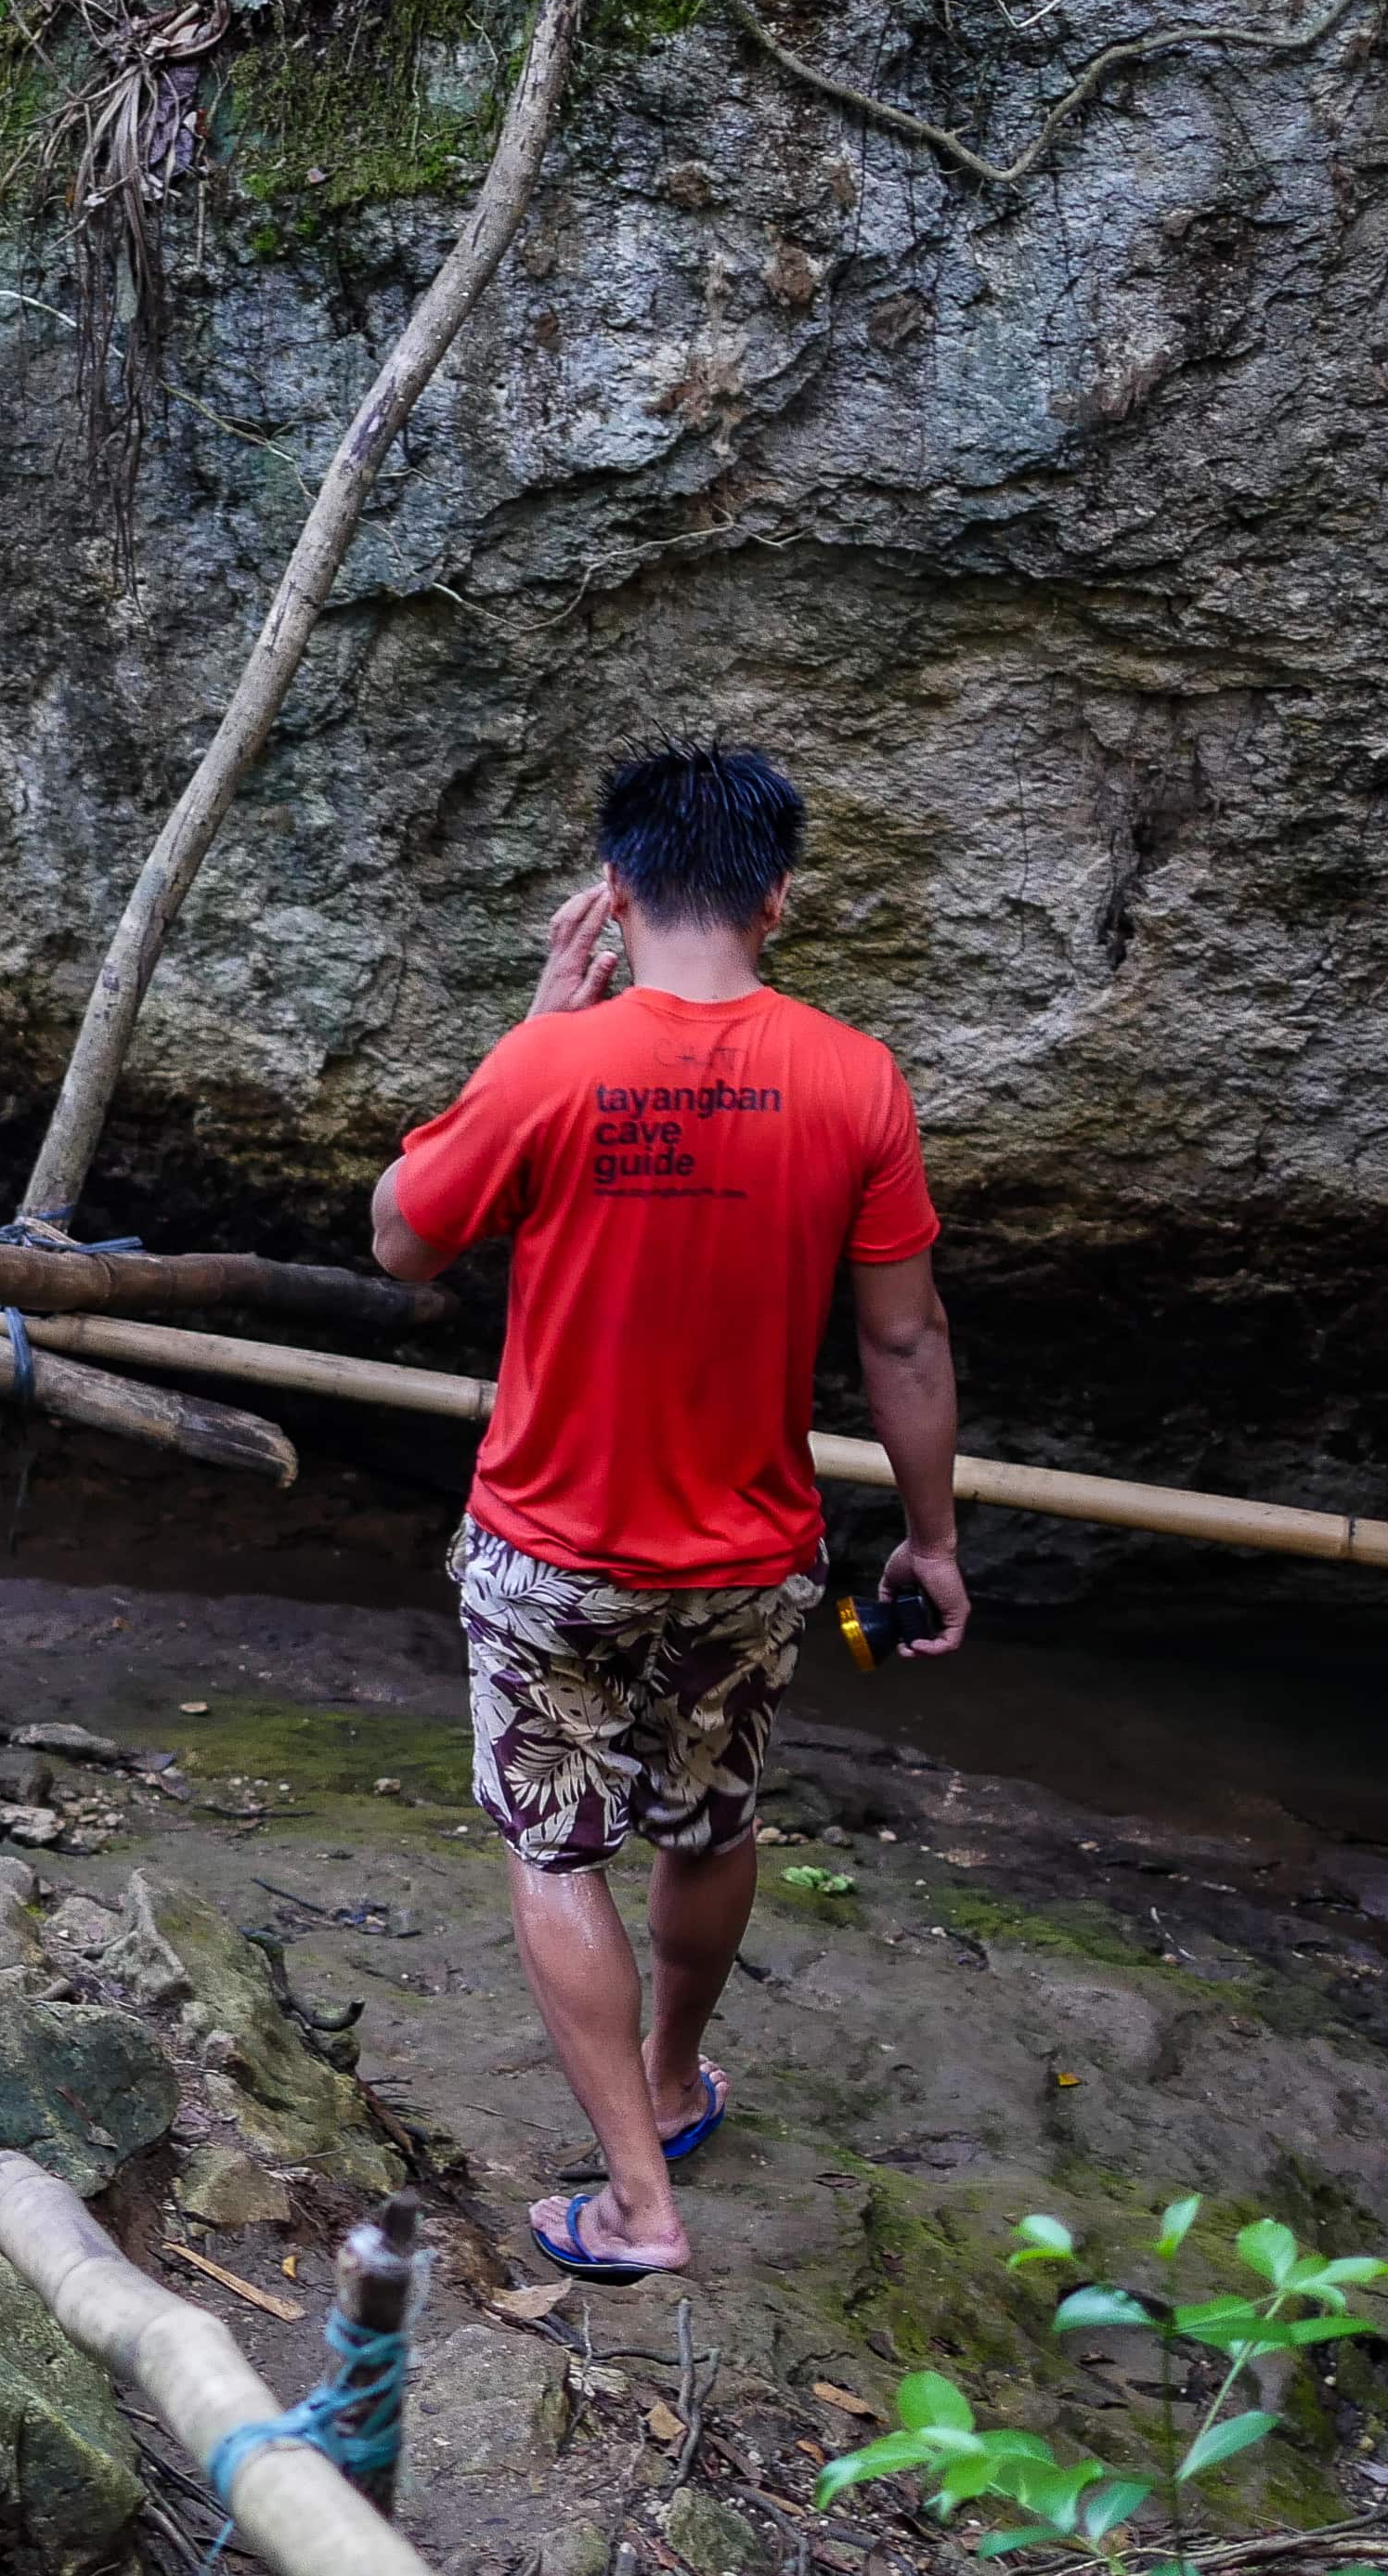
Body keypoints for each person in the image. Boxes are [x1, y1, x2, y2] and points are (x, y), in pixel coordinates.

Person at [369, 741, 966, 2282]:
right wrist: (933, 1537)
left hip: (549, 1551)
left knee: (557, 1850)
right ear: (779, 897)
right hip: (752, 1556)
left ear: (613, 897)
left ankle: (639, 2202)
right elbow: (902, 1338)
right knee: (710, 1816)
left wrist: (533, 1031)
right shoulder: (857, 1078)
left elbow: (401, 1245)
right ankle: (676, 2074)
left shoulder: (547, 1066)